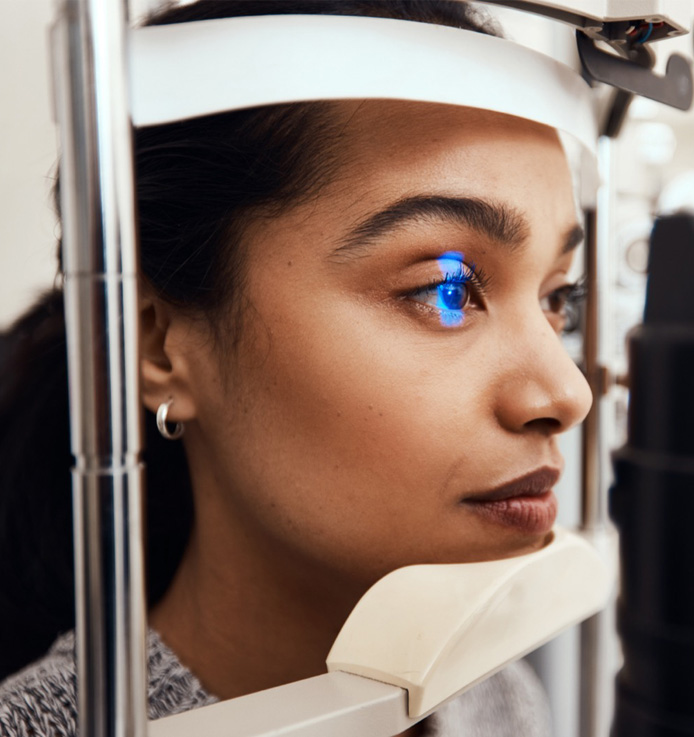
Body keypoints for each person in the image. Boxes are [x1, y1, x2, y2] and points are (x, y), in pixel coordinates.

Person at [0, 1, 592, 735]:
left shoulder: (498, 700)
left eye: (558, 296)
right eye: (446, 290)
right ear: (156, 344)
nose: (567, 393)